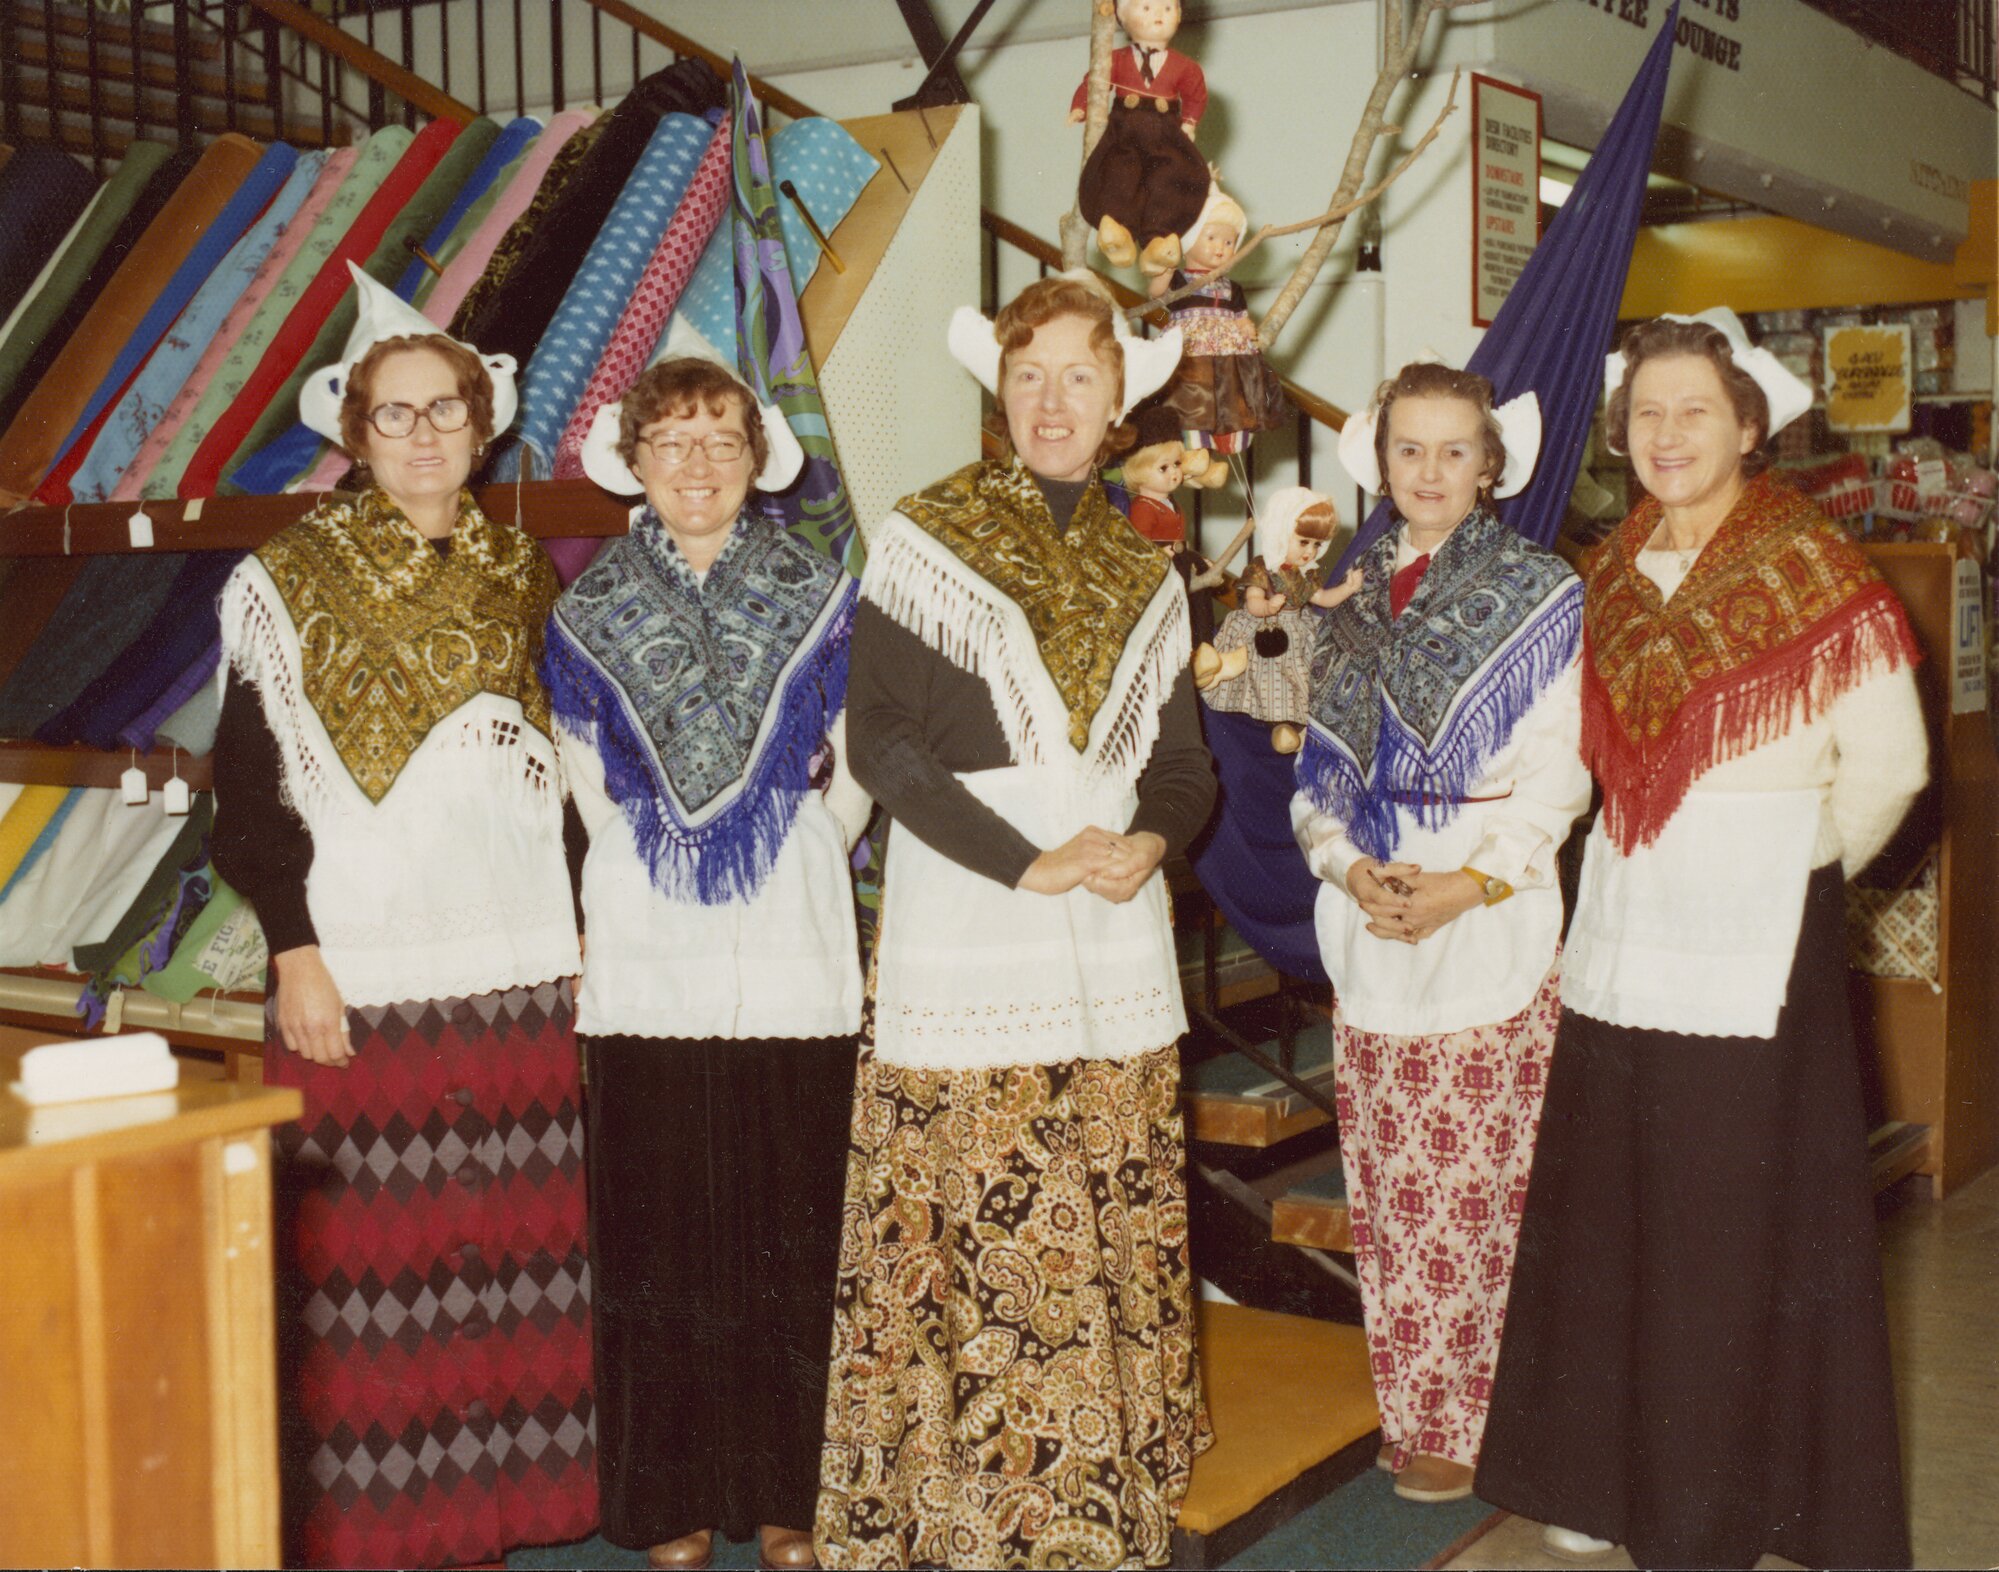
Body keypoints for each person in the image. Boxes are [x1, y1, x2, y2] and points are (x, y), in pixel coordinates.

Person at [1476, 309, 1926, 1569]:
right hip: (1626, 932)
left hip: (1755, 937)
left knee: (1729, 1233)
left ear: (1746, 425)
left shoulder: (1819, 568)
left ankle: (1716, 1507)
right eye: (1646, 414)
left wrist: (1789, 867)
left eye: (1693, 411)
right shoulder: (1607, 574)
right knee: (1612, 1220)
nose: (1666, 435)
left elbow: (1891, 769)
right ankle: (1600, 1481)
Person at [814, 274, 1216, 1570]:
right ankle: (964, 1504)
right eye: (1029, 372)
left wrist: (1147, 842)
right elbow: (881, 743)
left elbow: (1181, 767)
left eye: (1080, 378)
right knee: (973, 1215)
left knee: (1096, 1196)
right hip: (975, 923)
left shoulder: (1145, 562)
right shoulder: (925, 536)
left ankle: (1098, 1483)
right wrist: (1022, 859)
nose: (1053, 400)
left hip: (1109, 934)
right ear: (998, 387)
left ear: (1119, 402)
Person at [211, 264, 594, 1568]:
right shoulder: (286, 578)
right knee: (371, 1284)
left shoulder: (520, 574)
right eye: (396, 413)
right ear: (354, 433)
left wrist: (587, 938)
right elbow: (248, 795)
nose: (425, 434)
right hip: (361, 973)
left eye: (448, 410)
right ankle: (380, 1538)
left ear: (481, 428)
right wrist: (296, 952)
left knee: (505, 1262)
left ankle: (501, 1518)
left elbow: (566, 778)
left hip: (518, 967)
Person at [542, 343, 867, 1572]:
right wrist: (661, 859)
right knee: (660, 1232)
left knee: (793, 1221)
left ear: (755, 462)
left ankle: (789, 1492)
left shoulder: (819, 589)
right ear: (633, 462)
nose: (695, 464)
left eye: (720, 441)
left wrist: (793, 847)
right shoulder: (587, 610)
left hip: (790, 937)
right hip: (647, 948)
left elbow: (860, 756)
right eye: (670, 441)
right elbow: (585, 774)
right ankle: (669, 1495)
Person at [1292, 361, 1584, 1504]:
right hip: (1371, 918)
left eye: (1452, 450)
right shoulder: (1349, 600)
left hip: (1487, 916)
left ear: (1490, 465)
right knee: (1389, 1182)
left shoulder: (1540, 592)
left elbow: (1560, 777)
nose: (1428, 472)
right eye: (1408, 449)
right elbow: (1317, 781)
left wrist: (1473, 884)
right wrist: (1350, 866)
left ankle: (1474, 1418)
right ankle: (1413, 1402)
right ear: (1379, 460)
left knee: (1479, 1187)